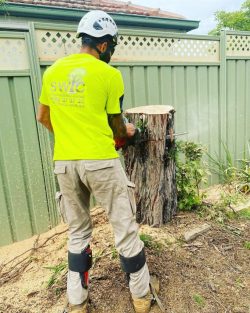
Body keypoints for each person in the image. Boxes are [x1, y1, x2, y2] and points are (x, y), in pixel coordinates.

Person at [37, 10, 155, 313]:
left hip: (64, 161)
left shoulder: (52, 72)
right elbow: (117, 128)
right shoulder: (108, 75)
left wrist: (69, 135)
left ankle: (77, 303)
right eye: (111, 47)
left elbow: (43, 117)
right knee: (124, 227)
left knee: (77, 232)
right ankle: (141, 298)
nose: (111, 53)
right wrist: (128, 131)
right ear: (103, 45)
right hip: (101, 161)